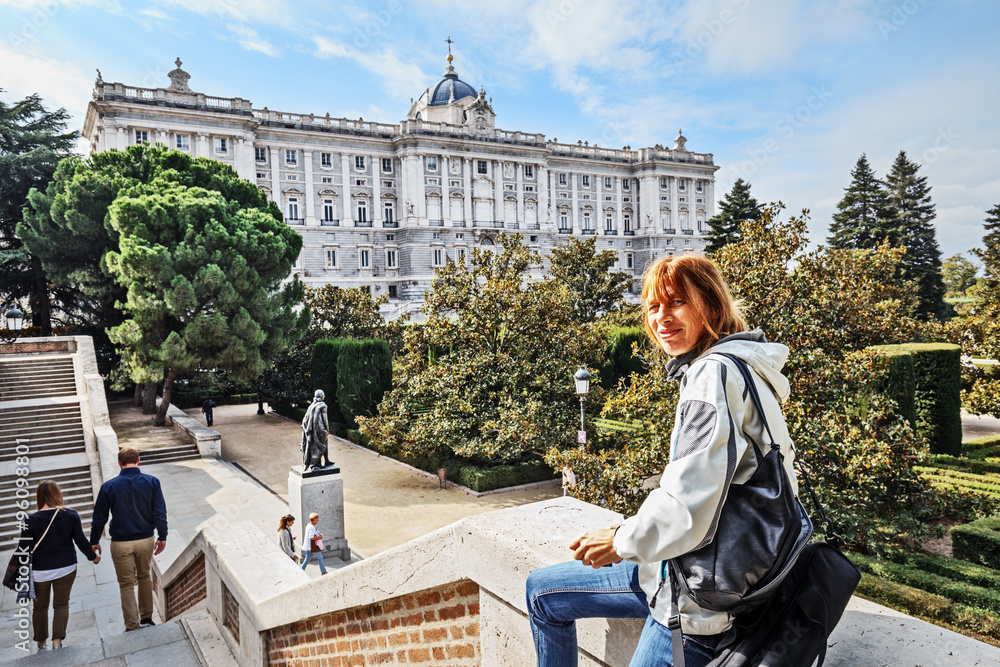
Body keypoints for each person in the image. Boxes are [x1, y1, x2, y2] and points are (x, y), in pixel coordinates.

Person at [525, 255, 799, 667]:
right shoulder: (744, 365)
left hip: (697, 608)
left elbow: (688, 504)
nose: (661, 318)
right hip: (698, 574)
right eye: (653, 306)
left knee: (542, 594)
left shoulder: (712, 376)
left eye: (675, 302)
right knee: (542, 591)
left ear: (710, 305)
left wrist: (618, 540)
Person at [90, 447, 168, 632]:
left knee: (126, 584)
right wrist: (162, 536)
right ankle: (147, 618)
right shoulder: (152, 482)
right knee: (144, 577)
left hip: (120, 543)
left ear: (119, 463)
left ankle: (132, 625)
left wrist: (94, 541)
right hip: (145, 540)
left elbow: (99, 518)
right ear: (138, 460)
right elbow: (159, 512)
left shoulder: (108, 486)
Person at [17, 480, 100, 651]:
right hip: (66, 567)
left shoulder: (29, 520)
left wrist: (20, 573)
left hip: (40, 571)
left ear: (39, 497)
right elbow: (80, 540)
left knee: (40, 606)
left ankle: (41, 643)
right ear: (58, 494)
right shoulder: (70, 515)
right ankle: (57, 642)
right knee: (61, 604)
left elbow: (22, 550)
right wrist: (93, 557)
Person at [300, 389, 331, 471]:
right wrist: (327, 430)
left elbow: (305, 419)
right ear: (322, 396)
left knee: (320, 445)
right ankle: (315, 464)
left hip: (313, 430)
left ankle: (325, 461)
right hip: (320, 429)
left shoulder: (312, 405)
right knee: (320, 445)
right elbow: (325, 421)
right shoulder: (323, 406)